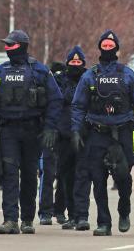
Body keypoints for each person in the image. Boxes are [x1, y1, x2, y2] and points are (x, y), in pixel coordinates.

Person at [0, 30, 63, 234]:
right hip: (7, 130)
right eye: (6, 44)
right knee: (9, 174)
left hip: (33, 130)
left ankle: (27, 220)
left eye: (11, 44)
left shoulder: (40, 71)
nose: (7, 48)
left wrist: (50, 127)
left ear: (22, 45)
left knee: (29, 175)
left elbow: (55, 100)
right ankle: (10, 220)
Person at [70, 30, 134, 236]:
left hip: (122, 131)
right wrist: (76, 131)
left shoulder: (127, 74)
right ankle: (103, 222)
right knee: (98, 179)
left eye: (110, 45)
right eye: (104, 46)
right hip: (97, 132)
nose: (107, 48)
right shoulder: (90, 75)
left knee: (123, 177)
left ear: (116, 48)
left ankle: (124, 211)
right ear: (100, 48)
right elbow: (78, 106)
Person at [53, 46, 87, 230]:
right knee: (66, 176)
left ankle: (82, 215)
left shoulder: (89, 77)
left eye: (78, 62)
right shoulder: (59, 80)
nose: (75, 65)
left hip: (84, 134)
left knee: (82, 175)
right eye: (72, 62)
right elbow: (56, 100)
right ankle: (71, 214)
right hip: (64, 135)